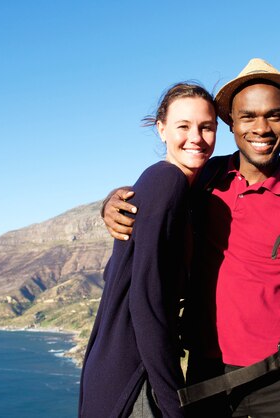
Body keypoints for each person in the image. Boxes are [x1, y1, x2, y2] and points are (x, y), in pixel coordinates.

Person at [102, 59, 280, 418]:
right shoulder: (204, 179)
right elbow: (156, 200)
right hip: (205, 379)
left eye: (274, 115)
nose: (262, 128)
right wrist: (111, 202)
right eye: (248, 116)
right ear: (231, 123)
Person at [79, 82, 218, 418]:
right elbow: (146, 300)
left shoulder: (184, 192)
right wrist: (173, 401)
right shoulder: (166, 182)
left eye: (207, 127)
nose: (196, 137)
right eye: (183, 126)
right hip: (136, 379)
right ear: (161, 130)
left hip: (120, 370)